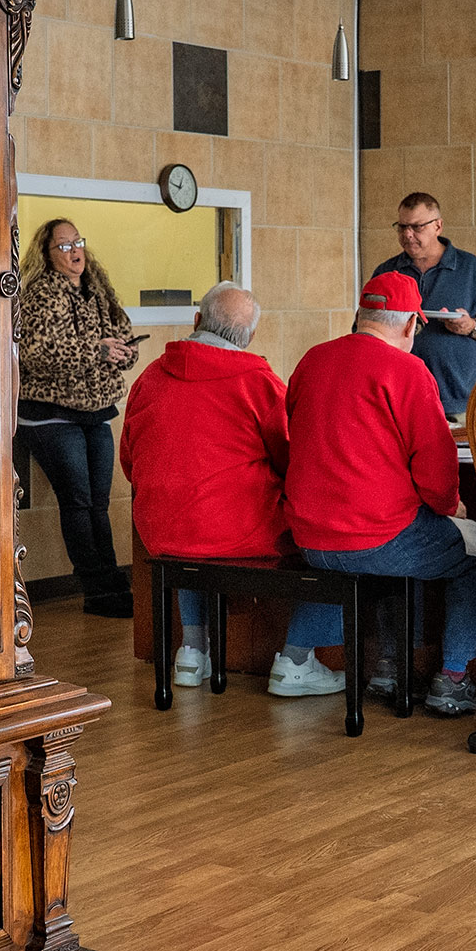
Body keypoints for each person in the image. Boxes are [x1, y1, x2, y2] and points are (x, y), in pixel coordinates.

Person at [284, 270, 476, 716]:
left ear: (361, 316)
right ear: (410, 324)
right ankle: (453, 679)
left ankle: (384, 665)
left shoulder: (312, 360)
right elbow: (437, 468)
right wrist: (449, 506)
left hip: (308, 537)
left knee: (408, 541)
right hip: (377, 538)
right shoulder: (408, 370)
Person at [119, 282, 344, 697]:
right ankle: (297, 657)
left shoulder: (150, 376)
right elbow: (288, 457)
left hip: (160, 530)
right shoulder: (257, 380)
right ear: (251, 337)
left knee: (187, 530)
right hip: (238, 532)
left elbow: (130, 461)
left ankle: (191, 648)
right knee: (335, 536)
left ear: (197, 320)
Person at [16, 217, 139, 617]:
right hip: (51, 415)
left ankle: (112, 585)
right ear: (47, 255)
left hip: (95, 411)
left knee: (98, 504)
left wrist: (124, 351)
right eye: (64, 246)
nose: (74, 252)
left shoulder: (97, 290)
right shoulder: (39, 293)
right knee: (80, 502)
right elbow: (38, 354)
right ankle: (99, 591)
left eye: (78, 242)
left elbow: (122, 337)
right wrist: (97, 351)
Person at [369, 191, 476, 419]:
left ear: (438, 226)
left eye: (417, 227)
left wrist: (472, 326)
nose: (408, 234)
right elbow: (362, 326)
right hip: (396, 399)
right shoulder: (386, 272)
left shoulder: (471, 269)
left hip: (456, 401)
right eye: (401, 227)